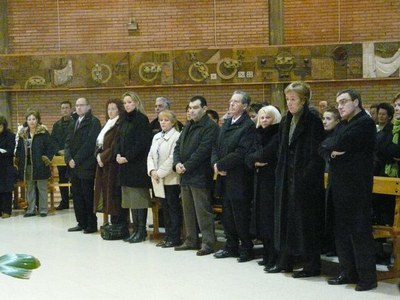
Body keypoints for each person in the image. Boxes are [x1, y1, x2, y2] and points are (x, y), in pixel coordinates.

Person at [320, 89, 377, 291]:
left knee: (359, 232)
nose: (340, 106)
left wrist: (333, 151)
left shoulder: (365, 123)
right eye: (338, 103)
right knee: (342, 232)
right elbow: (325, 146)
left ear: (356, 102)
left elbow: (339, 143)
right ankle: (347, 272)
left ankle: (367, 278)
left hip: (356, 187)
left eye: (344, 102)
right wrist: (333, 152)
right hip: (339, 186)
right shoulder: (344, 123)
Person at [267, 81, 325, 278]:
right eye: (288, 99)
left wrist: (304, 178)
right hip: (285, 177)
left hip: (305, 180)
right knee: (284, 221)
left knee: (306, 223)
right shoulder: (285, 120)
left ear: (304, 100)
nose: (289, 103)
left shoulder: (312, 121)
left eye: (293, 99)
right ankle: (284, 261)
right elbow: (281, 150)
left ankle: (311, 264)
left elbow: (316, 154)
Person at [212, 91, 256, 263]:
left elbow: (241, 152)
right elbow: (215, 147)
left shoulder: (247, 126)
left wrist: (221, 165)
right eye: (231, 101)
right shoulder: (227, 123)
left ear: (244, 106)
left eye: (236, 102)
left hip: (238, 176)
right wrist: (215, 164)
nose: (231, 104)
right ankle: (231, 246)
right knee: (227, 214)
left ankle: (246, 247)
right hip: (223, 176)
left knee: (240, 214)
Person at [173, 95, 218, 256]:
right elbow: (178, 146)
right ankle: (191, 240)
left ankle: (208, 242)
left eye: (195, 107)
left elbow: (203, 151)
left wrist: (186, 166)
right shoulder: (188, 125)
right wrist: (176, 163)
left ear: (204, 109)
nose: (192, 111)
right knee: (188, 211)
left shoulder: (210, 127)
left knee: (202, 211)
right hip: (185, 175)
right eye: (190, 108)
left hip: (200, 175)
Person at [245, 105, 281, 267]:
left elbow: (267, 153)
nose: (265, 120)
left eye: (268, 117)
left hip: (271, 180)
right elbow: (249, 155)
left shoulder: (277, 133)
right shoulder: (256, 133)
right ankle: (267, 254)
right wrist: (254, 160)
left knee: (270, 218)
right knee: (261, 218)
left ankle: (274, 255)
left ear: (275, 118)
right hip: (259, 180)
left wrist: (254, 158)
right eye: (262, 117)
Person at [116, 91, 152, 243]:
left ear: (136, 103)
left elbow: (142, 143)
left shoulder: (142, 119)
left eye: (129, 102)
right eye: (125, 103)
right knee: (130, 200)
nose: (127, 105)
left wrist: (127, 157)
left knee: (139, 200)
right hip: (124, 166)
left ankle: (141, 230)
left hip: (137, 165)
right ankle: (135, 229)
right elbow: (118, 139)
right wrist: (117, 154)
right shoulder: (123, 119)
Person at [65, 98, 101, 233]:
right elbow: (67, 142)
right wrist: (68, 158)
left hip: (85, 165)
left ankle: (91, 224)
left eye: (82, 105)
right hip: (73, 166)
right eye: (77, 105)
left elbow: (90, 144)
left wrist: (77, 160)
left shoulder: (93, 122)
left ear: (88, 106)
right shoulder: (73, 122)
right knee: (77, 195)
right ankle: (81, 222)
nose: (79, 108)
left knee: (87, 196)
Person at [147, 110, 182, 247]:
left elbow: (173, 158)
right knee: (164, 209)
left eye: (166, 120)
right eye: (161, 120)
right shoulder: (156, 136)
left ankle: (174, 237)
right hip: (157, 179)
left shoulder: (177, 136)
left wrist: (159, 173)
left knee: (173, 208)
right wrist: (152, 171)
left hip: (170, 179)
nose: (163, 122)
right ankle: (167, 236)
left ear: (172, 122)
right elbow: (150, 155)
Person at [94, 99, 128, 225]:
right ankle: (111, 221)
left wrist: (102, 157)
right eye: (109, 109)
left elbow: (114, 145)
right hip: (103, 165)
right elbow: (99, 143)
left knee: (114, 194)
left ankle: (119, 222)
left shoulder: (119, 124)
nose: (110, 111)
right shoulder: (107, 124)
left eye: (113, 109)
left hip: (113, 164)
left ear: (119, 110)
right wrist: (97, 155)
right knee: (106, 193)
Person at [16, 110, 55, 217]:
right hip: (27, 165)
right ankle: (31, 209)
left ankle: (43, 209)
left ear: (38, 120)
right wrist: (18, 160)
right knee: (30, 188)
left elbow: (51, 148)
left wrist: (47, 158)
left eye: (33, 119)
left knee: (42, 188)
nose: (31, 121)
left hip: (40, 164)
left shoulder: (43, 132)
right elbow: (19, 149)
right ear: (26, 121)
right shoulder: (23, 134)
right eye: (29, 119)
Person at [321, 107, 341, 256]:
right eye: (324, 118)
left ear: (337, 121)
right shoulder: (323, 135)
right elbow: (323, 149)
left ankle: (332, 246)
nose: (325, 122)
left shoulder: (338, 134)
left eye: (328, 119)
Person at [51, 101, 73, 210]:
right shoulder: (56, 125)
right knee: (62, 179)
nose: (64, 110)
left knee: (74, 179)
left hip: (73, 156)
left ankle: (76, 200)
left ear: (71, 109)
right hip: (60, 156)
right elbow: (53, 140)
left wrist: (68, 151)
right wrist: (59, 151)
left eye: (67, 108)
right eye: (63, 108)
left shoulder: (76, 123)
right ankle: (64, 202)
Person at [0, 116, 16, 218]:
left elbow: (11, 150)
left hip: (6, 166)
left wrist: (2, 152)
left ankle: (6, 211)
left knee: (6, 189)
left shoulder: (10, 135)